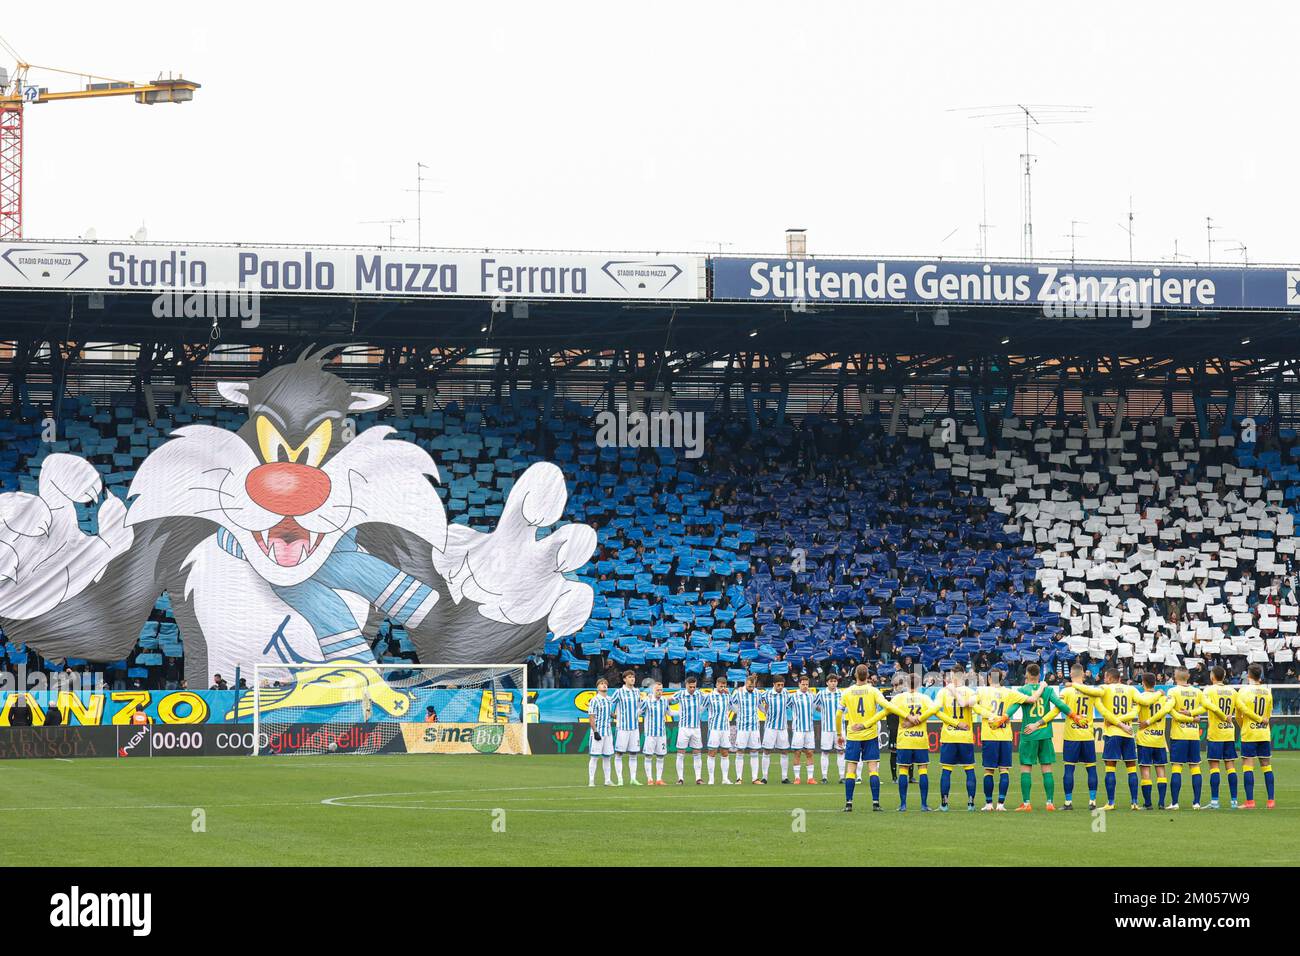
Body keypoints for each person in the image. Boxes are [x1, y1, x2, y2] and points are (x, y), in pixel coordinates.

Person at [1006, 662, 1074, 811]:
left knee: (1026, 768)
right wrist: (1073, 716)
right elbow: (1060, 705)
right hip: (1045, 734)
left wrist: (1003, 718)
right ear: (1039, 675)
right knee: (1047, 768)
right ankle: (1049, 803)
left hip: (1029, 734)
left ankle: (1027, 803)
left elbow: (1013, 708)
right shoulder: (1048, 690)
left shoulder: (1022, 690)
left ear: (1027, 675)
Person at [976, 669, 1042, 811]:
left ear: (989, 679)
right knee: (1004, 770)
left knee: (989, 770)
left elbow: (971, 704)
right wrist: (1042, 686)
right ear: (1001, 679)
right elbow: (1032, 699)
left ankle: (988, 804)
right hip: (1005, 736)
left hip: (989, 735)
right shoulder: (1009, 692)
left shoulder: (982, 691)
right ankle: (1001, 804)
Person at [880, 672, 942, 811]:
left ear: (906, 684)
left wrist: (866, 723)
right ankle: (924, 804)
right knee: (922, 770)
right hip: (920, 739)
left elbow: (885, 711)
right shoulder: (925, 698)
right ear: (919, 684)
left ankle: (903, 805)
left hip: (905, 740)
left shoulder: (899, 698)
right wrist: (956, 724)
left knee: (903, 770)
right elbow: (936, 711)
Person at [836, 663, 890, 812]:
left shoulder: (847, 692)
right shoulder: (873, 691)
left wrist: (839, 734)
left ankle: (848, 804)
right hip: (870, 734)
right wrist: (868, 723)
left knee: (851, 769)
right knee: (873, 769)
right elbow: (887, 709)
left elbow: (839, 714)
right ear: (867, 676)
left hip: (853, 735)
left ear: (855, 676)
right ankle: (876, 803)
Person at [1094, 667, 1141, 810]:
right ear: (1120, 678)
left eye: (1105, 677)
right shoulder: (1131, 689)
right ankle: (1134, 802)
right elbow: (1139, 704)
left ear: (1109, 678)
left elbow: (1100, 708)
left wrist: (1116, 721)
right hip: (1128, 733)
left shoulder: (1104, 688)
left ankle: (1111, 803)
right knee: (1132, 769)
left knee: (1110, 768)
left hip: (1113, 732)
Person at [1162, 667, 1206, 809]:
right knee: (1195, 767)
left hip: (1179, 734)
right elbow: (1205, 707)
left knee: (1176, 767)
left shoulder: (1173, 691)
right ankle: (1197, 802)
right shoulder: (1197, 691)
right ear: (1188, 676)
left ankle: (1175, 803)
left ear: (1175, 676)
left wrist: (1183, 717)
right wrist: (1193, 715)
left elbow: (1169, 709)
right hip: (1193, 735)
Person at [1196, 665, 1240, 809]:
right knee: (1230, 766)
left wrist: (1190, 713)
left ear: (1212, 676)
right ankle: (1234, 801)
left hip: (1215, 733)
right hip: (1229, 732)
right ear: (1225, 675)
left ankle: (1215, 801)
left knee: (1214, 766)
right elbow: (1238, 709)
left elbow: (1204, 706)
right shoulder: (1233, 691)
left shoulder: (1209, 690)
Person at [1235, 663, 1275, 809]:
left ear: (1249, 675)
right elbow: (1269, 713)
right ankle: (1271, 800)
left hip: (1249, 733)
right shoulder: (1267, 691)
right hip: (1264, 732)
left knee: (1248, 766)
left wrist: (1243, 726)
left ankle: (1250, 801)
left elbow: (1239, 714)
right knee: (1266, 765)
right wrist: (1262, 721)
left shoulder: (1244, 691)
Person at [1133, 672, 1175, 810]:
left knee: (1145, 770)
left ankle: (1148, 803)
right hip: (1159, 739)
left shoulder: (1141, 698)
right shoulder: (1163, 698)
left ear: (1143, 683)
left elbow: (1134, 713)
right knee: (1161, 769)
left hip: (1144, 739)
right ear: (1155, 683)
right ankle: (1162, 802)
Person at [728, 675, 764, 784]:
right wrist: (738, 712)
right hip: (742, 727)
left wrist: (767, 711)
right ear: (745, 683)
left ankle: (755, 778)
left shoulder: (757, 693)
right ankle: (739, 778)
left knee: (754, 751)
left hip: (754, 727)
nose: (751, 688)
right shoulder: (738, 692)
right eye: (749, 686)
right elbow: (731, 704)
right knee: (740, 751)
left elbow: (760, 706)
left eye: (753, 686)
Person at [611, 670, 643, 786]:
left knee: (633, 753)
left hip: (634, 727)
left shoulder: (637, 691)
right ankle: (620, 779)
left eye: (633, 677)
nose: (632, 679)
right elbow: (609, 703)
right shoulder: (619, 692)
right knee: (619, 753)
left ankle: (633, 778)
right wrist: (613, 715)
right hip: (622, 728)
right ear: (624, 679)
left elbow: (640, 707)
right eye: (629, 677)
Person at [759, 675, 791, 784]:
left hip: (782, 727)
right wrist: (764, 711)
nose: (780, 687)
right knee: (767, 751)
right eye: (778, 685)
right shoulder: (767, 694)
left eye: (782, 685)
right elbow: (757, 700)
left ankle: (784, 777)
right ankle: (764, 777)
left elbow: (790, 704)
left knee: (785, 751)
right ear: (773, 685)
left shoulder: (786, 693)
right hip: (770, 727)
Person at [673, 675, 705, 785]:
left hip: (696, 728)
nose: (692, 689)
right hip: (684, 728)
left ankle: (698, 778)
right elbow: (668, 700)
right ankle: (680, 778)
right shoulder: (680, 694)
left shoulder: (699, 694)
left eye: (694, 687)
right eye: (690, 687)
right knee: (681, 752)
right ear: (686, 685)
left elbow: (709, 699)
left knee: (697, 752)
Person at [788, 674, 818, 784]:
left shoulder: (812, 696)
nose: (805, 686)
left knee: (810, 752)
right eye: (803, 684)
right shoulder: (793, 696)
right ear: (799, 684)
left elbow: (817, 708)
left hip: (809, 729)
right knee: (797, 752)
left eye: (807, 684)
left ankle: (810, 778)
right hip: (798, 729)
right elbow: (785, 706)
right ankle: (797, 778)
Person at [816, 673, 845, 784]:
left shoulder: (842, 694)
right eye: (831, 681)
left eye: (835, 681)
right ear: (827, 682)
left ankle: (842, 777)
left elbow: (846, 708)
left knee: (841, 751)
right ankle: (824, 777)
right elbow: (815, 706)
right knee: (825, 752)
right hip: (826, 728)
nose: (833, 683)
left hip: (840, 729)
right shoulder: (822, 694)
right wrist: (824, 711)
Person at [704, 676, 734, 785]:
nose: (722, 688)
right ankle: (711, 779)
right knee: (712, 752)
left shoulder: (727, 696)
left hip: (725, 728)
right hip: (714, 729)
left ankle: (725, 778)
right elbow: (701, 709)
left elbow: (734, 709)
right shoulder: (710, 696)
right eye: (721, 686)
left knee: (725, 752)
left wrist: (729, 695)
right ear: (716, 685)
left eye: (724, 686)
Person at [639, 683, 671, 785]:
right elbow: (638, 712)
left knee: (660, 756)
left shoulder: (664, 701)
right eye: (657, 690)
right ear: (653, 690)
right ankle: (649, 779)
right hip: (650, 734)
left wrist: (682, 712)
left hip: (661, 733)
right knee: (648, 756)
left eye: (661, 690)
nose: (659, 692)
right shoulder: (647, 701)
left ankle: (658, 779)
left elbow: (669, 713)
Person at [587, 678, 614, 787]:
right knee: (594, 757)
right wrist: (595, 731)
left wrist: (618, 716)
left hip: (608, 732)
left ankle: (607, 780)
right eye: (601, 684)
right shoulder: (594, 700)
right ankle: (591, 780)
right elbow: (591, 717)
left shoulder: (609, 699)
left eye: (605, 684)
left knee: (607, 756)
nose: (604, 685)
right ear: (597, 687)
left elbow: (610, 713)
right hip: (598, 732)